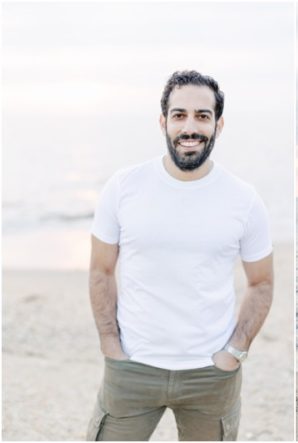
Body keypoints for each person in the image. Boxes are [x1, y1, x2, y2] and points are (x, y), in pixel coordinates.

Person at [87, 70, 275, 440]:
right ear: (163, 122)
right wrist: (110, 343)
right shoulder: (124, 187)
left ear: (219, 125)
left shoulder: (244, 199)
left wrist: (234, 351)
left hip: (210, 374)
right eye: (180, 115)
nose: (190, 127)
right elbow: (101, 270)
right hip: (133, 367)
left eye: (202, 116)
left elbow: (262, 282)